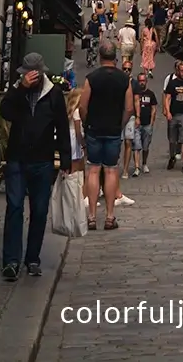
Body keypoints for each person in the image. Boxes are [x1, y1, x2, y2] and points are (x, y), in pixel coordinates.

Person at [0, 52, 71, 280]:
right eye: (26, 74)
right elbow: (5, 111)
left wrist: (65, 159)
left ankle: (32, 258)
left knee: (39, 211)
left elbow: (62, 126)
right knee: (14, 207)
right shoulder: (17, 91)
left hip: (42, 160)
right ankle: (11, 261)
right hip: (17, 158)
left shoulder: (53, 94)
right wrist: (21, 89)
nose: (30, 78)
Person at [78, 38, 132, 231]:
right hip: (113, 130)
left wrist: (87, 123)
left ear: (100, 57)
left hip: (94, 129)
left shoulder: (91, 78)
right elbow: (129, 108)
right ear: (115, 57)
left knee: (93, 170)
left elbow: (82, 106)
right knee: (111, 170)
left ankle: (92, 217)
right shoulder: (124, 79)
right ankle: (109, 216)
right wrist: (120, 124)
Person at [130, 70, 159, 175]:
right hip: (137, 123)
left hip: (147, 124)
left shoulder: (150, 94)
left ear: (146, 81)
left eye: (143, 81)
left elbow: (154, 109)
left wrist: (152, 122)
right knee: (136, 146)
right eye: (140, 81)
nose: (141, 83)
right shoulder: (134, 94)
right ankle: (137, 167)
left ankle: (144, 163)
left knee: (145, 147)